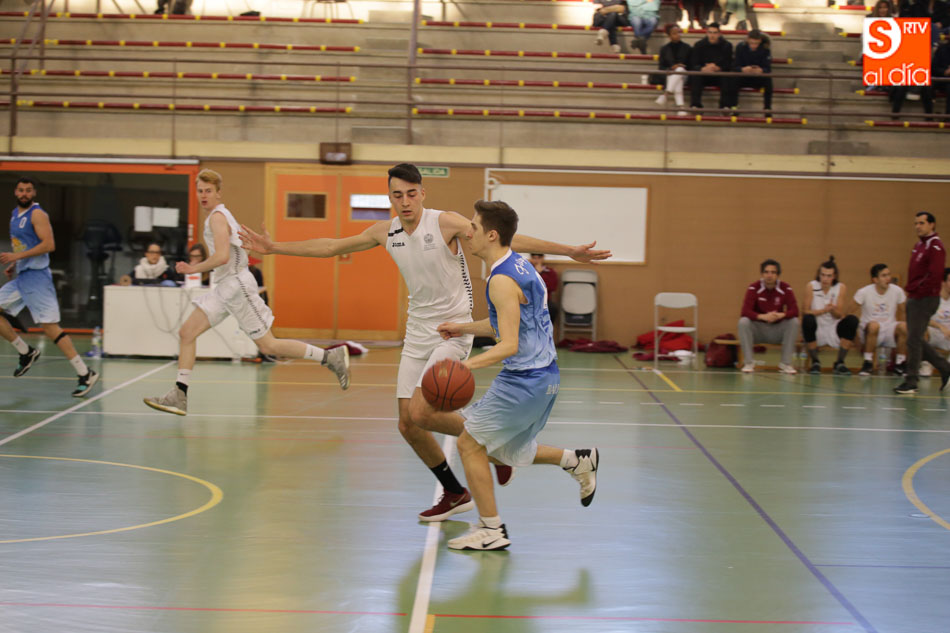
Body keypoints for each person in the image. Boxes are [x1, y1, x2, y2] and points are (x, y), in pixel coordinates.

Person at [239, 163, 611, 523]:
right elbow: (332, 245)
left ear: (422, 193)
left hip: (452, 330)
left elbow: (505, 239)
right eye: (397, 195)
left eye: (411, 193)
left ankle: (492, 447)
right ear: (390, 198)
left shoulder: (445, 222)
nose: (405, 201)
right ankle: (456, 491)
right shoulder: (385, 232)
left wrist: (568, 250)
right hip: (417, 333)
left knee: (421, 411)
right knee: (408, 424)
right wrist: (275, 248)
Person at [435, 200, 599, 551]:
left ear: (492, 235)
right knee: (508, 450)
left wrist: (464, 367)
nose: (469, 233)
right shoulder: (519, 265)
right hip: (543, 378)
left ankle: (491, 529)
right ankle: (576, 460)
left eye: (474, 227)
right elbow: (509, 323)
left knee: (469, 444)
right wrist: (463, 327)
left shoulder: (500, 279)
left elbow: (508, 344)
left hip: (525, 381)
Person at [143, 169, 350, 416]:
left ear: (218, 193)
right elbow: (232, 252)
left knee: (269, 346)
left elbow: (222, 256)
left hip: (237, 287)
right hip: (224, 288)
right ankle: (179, 394)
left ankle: (330, 357)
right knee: (187, 333)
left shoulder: (217, 218)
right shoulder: (221, 216)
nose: (204, 195)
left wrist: (193, 268)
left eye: (208, 191)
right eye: (200, 191)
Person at [0, 177, 99, 396]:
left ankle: (85, 373)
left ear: (34, 193)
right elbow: (24, 244)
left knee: (51, 328)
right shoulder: (15, 214)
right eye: (21, 190)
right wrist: (16, 263)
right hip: (23, 276)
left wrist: (16, 257)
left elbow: (48, 244)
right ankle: (26, 352)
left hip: (37, 278)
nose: (24, 193)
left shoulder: (38, 214)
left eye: (28, 190)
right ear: (15, 192)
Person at [895, 212, 950, 394]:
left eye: (922, 223)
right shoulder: (919, 245)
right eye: (916, 223)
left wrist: (918, 291)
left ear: (932, 225)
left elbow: (935, 275)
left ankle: (911, 381)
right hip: (915, 297)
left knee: (913, 340)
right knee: (915, 339)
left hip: (925, 298)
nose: (918, 226)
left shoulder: (935, 246)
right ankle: (945, 368)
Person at [737, 258, 800, 374]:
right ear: (762, 274)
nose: (769, 275)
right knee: (743, 322)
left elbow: (795, 311)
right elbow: (745, 311)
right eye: (766, 272)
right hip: (759, 331)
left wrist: (781, 315)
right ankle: (749, 362)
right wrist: (763, 316)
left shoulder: (785, 288)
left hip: (777, 331)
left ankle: (786, 363)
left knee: (794, 321)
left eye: (773, 272)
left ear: (778, 275)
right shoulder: (754, 288)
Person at [800, 256, 859, 375]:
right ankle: (815, 362)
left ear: (834, 276)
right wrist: (823, 310)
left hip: (833, 327)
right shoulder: (811, 286)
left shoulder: (841, 287)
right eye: (823, 275)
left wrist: (832, 310)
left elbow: (839, 315)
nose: (825, 279)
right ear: (819, 274)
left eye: (828, 276)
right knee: (807, 320)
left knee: (852, 320)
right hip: (817, 326)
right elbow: (805, 311)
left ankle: (840, 362)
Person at [852, 264, 908, 376]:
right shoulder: (863, 292)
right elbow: (848, 313)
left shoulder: (897, 291)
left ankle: (900, 363)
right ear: (875, 280)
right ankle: (867, 363)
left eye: (888, 275)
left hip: (889, 330)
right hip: (870, 331)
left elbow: (905, 311)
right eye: (884, 276)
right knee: (874, 325)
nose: (888, 278)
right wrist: (856, 338)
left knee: (904, 326)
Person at [721, 30, 772, 115]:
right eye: (752, 43)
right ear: (748, 40)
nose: (754, 46)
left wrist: (761, 70)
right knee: (733, 78)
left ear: (760, 41)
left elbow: (768, 68)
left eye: (756, 43)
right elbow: (734, 66)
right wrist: (742, 69)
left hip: (757, 77)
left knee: (768, 80)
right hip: (743, 77)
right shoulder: (740, 47)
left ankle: (767, 108)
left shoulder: (765, 49)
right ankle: (734, 107)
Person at [688, 24, 733, 111]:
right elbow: (694, 64)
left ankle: (725, 106)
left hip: (719, 74)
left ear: (719, 34)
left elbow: (728, 64)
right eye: (710, 32)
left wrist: (718, 68)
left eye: (715, 33)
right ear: (707, 33)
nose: (712, 35)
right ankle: (695, 105)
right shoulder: (699, 45)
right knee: (695, 76)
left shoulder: (727, 45)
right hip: (704, 74)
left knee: (727, 77)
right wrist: (702, 69)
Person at [654, 24, 691, 115]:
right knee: (678, 75)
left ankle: (666, 94)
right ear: (669, 36)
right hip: (670, 75)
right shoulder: (664, 49)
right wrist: (671, 68)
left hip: (685, 74)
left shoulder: (687, 48)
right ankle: (681, 107)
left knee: (680, 70)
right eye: (674, 33)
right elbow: (661, 67)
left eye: (679, 32)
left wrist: (682, 66)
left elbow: (692, 65)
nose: (678, 35)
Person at [925, 268, 950, 358]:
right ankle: (923, 362)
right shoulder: (931, 299)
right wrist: (940, 326)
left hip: (948, 336)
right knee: (921, 331)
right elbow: (923, 319)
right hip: (934, 334)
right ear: (942, 282)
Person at [529, 253, 559, 325]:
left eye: (538, 258)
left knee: (552, 309)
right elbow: (527, 285)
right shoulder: (527, 270)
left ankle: (548, 329)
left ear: (542, 258)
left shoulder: (550, 271)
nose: (536, 260)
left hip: (545, 301)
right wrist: (536, 273)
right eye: (534, 258)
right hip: (529, 300)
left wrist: (540, 274)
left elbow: (552, 287)